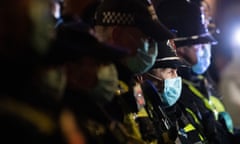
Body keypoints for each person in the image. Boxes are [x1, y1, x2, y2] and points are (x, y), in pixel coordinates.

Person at [93, 0, 176, 142]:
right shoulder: (98, 83)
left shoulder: (128, 81)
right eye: (148, 39)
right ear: (118, 35)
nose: (154, 47)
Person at [156, 0, 237, 143]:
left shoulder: (201, 80)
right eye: (200, 43)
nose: (205, 47)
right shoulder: (173, 89)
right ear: (179, 47)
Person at [140, 40, 207, 144]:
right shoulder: (144, 121)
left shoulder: (181, 111)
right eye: (170, 72)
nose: (176, 78)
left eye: (176, 71)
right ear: (143, 77)